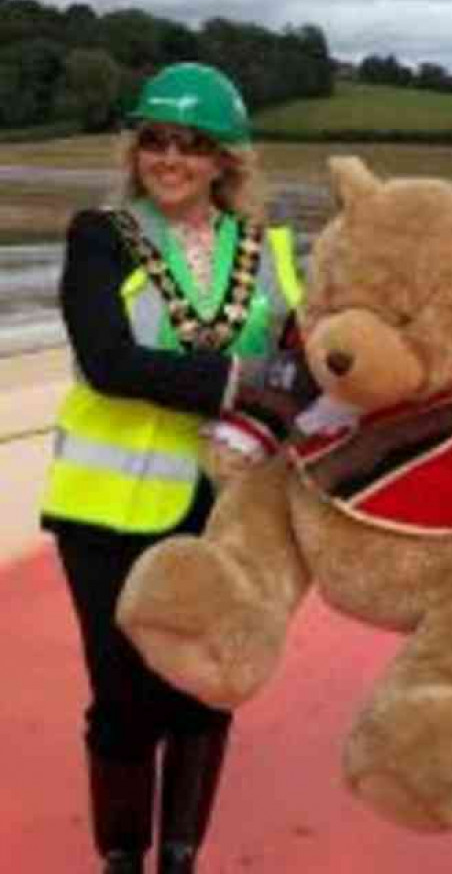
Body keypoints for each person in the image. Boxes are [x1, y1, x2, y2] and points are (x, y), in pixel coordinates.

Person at [40, 62, 316, 874]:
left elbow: (302, 360)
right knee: (124, 696)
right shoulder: (101, 235)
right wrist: (240, 381)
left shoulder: (269, 251)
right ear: (135, 149)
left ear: (224, 159)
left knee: (206, 686)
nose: (169, 158)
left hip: (229, 510)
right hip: (107, 514)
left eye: (190, 145)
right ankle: (121, 859)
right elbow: (107, 360)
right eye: (154, 140)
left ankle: (180, 858)